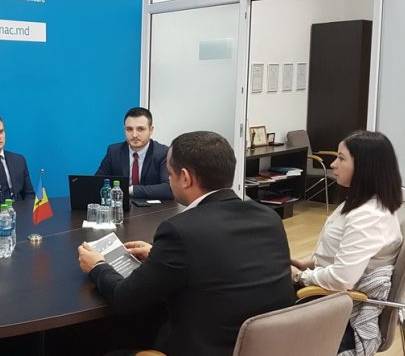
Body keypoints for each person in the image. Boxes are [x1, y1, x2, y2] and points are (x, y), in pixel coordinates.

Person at [79, 131, 295, 356]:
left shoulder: (180, 231)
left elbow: (124, 299)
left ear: (185, 177)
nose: (169, 180)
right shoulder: (269, 217)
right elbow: (226, 259)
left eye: (169, 174)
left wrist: (98, 265)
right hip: (268, 347)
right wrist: (159, 255)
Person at [290, 131, 403, 353]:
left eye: (341, 158)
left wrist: (300, 276)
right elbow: (340, 255)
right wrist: (307, 264)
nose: (333, 164)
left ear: (365, 167)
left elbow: (342, 279)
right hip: (332, 295)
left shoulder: (369, 216)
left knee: (261, 306)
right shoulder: (361, 203)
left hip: (340, 309)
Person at [96, 107, 172, 199]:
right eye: (129, 129)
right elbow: (97, 182)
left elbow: (169, 188)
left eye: (140, 129)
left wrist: (131, 190)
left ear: (151, 130)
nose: (134, 135)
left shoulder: (163, 153)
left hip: (154, 206)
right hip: (121, 205)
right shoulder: (114, 151)